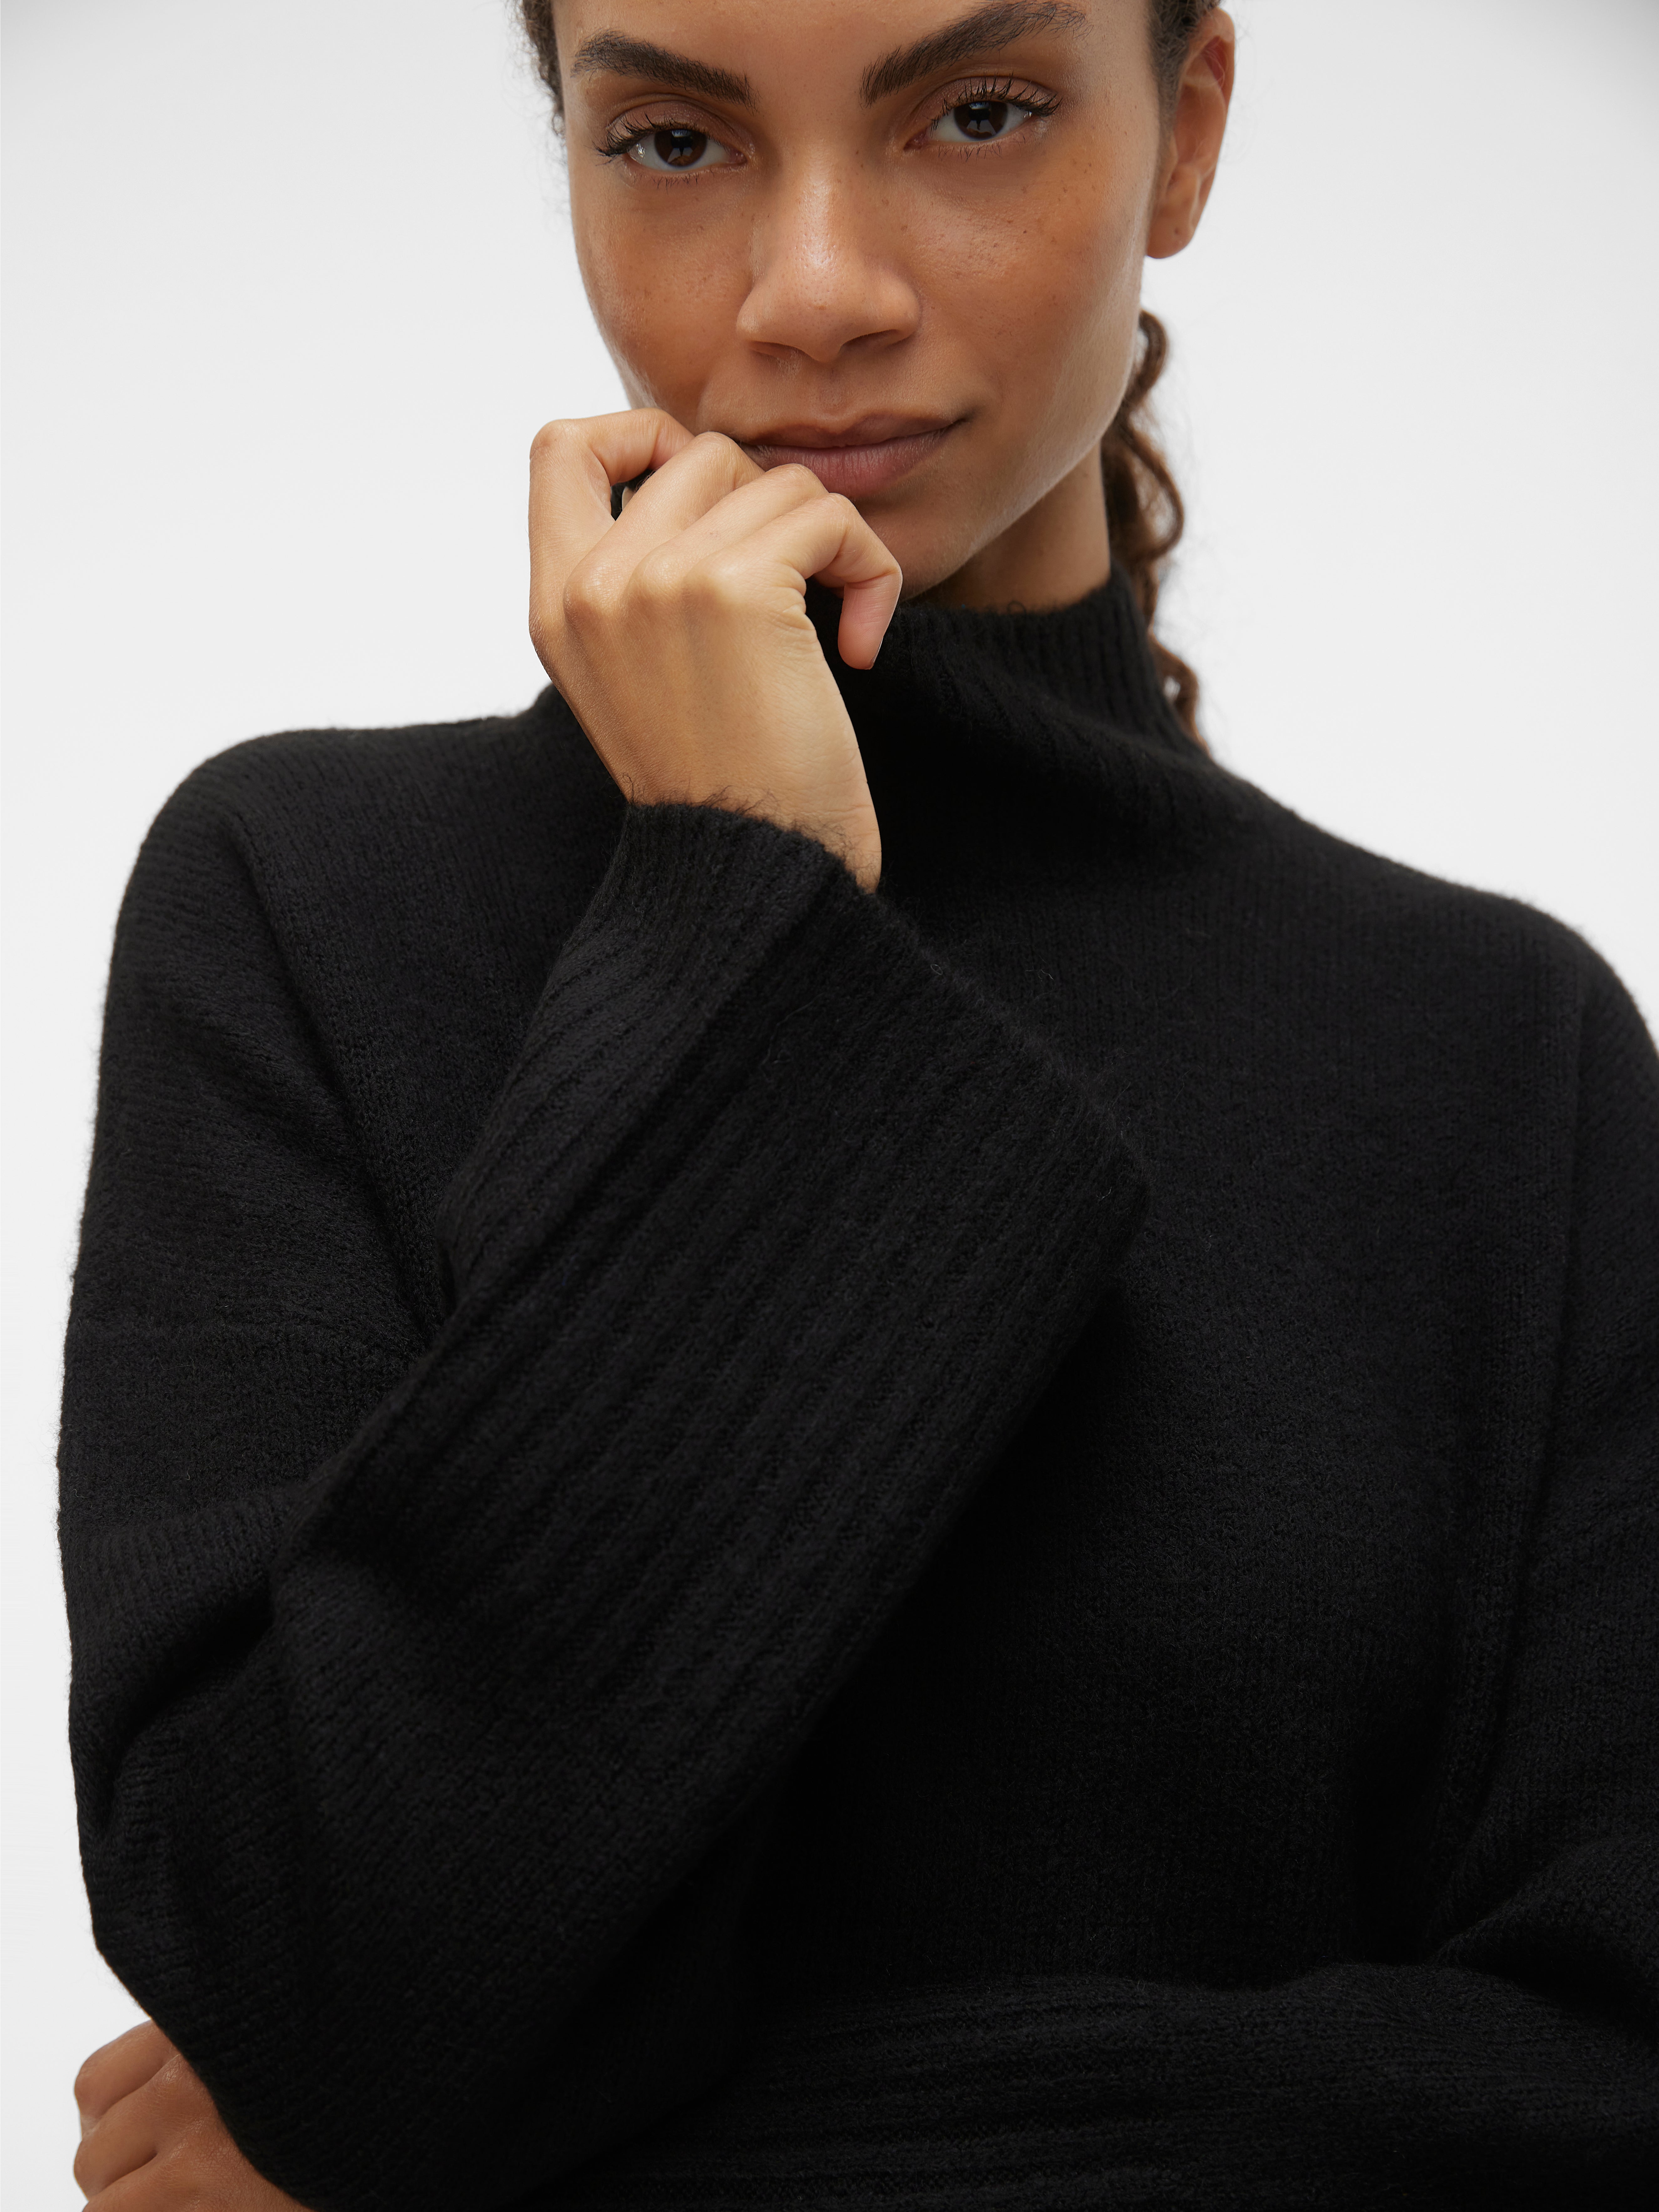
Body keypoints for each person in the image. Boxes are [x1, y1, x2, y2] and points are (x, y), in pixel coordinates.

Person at [62, 1, 1658, 2205]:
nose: (814, 291)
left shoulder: (1507, 1062)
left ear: (1186, 131)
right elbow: (335, 1984)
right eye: (673, 139)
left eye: (976, 112)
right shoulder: (303, 910)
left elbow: (1606, 2100)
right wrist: (743, 912)